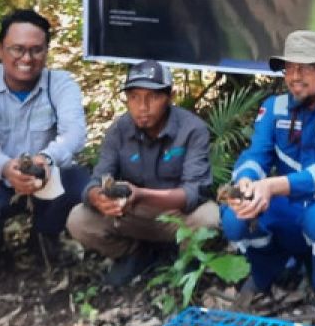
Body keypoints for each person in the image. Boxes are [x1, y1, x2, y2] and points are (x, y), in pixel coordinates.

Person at [220, 30, 315, 314]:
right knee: (234, 217)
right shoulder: (273, 107)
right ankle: (268, 271)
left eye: (307, 67)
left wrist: (272, 186)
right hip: (287, 206)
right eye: (289, 67)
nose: (295, 76)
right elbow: (256, 155)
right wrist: (245, 185)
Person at [0, 9, 88, 279]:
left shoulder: (59, 83)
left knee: (79, 182)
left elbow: (75, 134)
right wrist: (5, 167)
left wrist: (45, 160)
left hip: (44, 177)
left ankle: (44, 239)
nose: (27, 58)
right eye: (17, 49)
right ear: (0, 49)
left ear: (47, 51)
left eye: (36, 50)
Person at [66, 60, 218, 286]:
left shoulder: (192, 129)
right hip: (131, 213)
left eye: (153, 97)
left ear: (169, 96)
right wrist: (97, 197)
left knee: (210, 218)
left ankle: (186, 259)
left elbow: (194, 193)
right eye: (134, 97)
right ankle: (133, 255)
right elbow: (97, 179)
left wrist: (142, 194)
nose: (142, 106)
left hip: (176, 215)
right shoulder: (119, 130)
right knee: (79, 219)